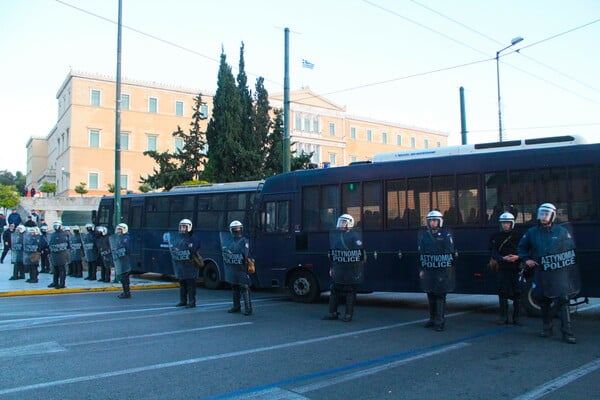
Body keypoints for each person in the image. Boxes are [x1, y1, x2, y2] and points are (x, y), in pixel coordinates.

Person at [518, 203, 580, 344]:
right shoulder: (532, 232)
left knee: (563, 299)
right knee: (542, 298)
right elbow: (522, 247)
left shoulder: (561, 231)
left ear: (552, 215)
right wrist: (527, 259)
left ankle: (567, 332)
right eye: (542, 213)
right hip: (541, 270)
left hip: (558, 271)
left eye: (546, 214)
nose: (543, 216)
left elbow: (570, 249)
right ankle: (547, 327)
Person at [418, 210, 457, 332]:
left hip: (441, 269)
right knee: (430, 293)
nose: (432, 222)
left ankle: (440, 321)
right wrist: (421, 269)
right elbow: (421, 253)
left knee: (440, 294)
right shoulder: (424, 235)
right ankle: (432, 318)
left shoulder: (445, 235)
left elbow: (449, 251)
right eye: (430, 220)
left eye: (435, 220)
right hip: (429, 269)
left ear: (439, 221)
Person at [322, 214, 365, 322]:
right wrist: (332, 267)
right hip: (339, 267)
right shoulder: (338, 236)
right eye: (340, 221)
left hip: (350, 268)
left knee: (349, 291)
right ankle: (332, 312)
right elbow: (334, 252)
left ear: (349, 223)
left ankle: (348, 315)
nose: (340, 224)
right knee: (334, 289)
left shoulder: (354, 236)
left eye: (343, 222)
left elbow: (360, 253)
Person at [489, 212, 523, 325]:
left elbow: (524, 250)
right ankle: (503, 317)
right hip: (502, 267)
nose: (505, 225)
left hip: (516, 267)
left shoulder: (518, 236)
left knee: (517, 292)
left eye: (507, 223)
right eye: (503, 223)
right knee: (502, 292)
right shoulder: (496, 236)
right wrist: (502, 258)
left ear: (512, 223)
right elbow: (493, 252)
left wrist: (517, 257)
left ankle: (517, 317)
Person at [222, 220, 253, 315]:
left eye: (238, 229)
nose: (236, 231)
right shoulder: (230, 241)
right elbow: (226, 251)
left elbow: (246, 254)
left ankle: (248, 308)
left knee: (244, 287)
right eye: (234, 229)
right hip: (233, 267)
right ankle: (236, 306)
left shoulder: (244, 241)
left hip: (242, 267)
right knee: (234, 286)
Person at [169, 219, 201, 308]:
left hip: (190, 264)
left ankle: (192, 302)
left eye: (184, 227)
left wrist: (184, 250)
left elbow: (194, 249)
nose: (183, 228)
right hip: (181, 264)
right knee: (182, 283)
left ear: (189, 227)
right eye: (181, 226)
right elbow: (175, 247)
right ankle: (183, 300)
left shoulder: (193, 238)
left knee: (191, 284)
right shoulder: (179, 238)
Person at [47, 220, 71, 289]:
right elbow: (50, 243)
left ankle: (62, 283)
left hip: (62, 254)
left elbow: (68, 244)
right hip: (54, 253)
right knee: (55, 269)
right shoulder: (53, 234)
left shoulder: (64, 234)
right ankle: (55, 282)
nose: (56, 227)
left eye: (57, 226)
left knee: (62, 269)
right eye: (54, 226)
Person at [112, 223, 132, 299]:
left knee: (125, 277)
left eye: (120, 229)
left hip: (125, 259)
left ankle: (127, 293)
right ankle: (126, 292)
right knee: (123, 277)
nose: (119, 231)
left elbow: (126, 249)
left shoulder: (126, 238)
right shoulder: (120, 238)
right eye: (118, 229)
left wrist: (120, 251)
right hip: (121, 259)